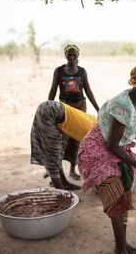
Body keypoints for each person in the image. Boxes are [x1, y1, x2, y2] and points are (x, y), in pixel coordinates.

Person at [78, 64, 136, 254]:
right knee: (116, 196)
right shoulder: (122, 105)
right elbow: (111, 145)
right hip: (98, 149)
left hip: (116, 148)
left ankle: (121, 246)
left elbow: (134, 127)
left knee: (124, 195)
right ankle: (121, 249)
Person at [48, 44, 99, 180]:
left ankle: (72, 170)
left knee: (78, 139)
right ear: (65, 55)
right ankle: (57, 172)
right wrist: (49, 105)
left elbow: (88, 91)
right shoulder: (59, 71)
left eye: (74, 55)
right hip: (65, 108)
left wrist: (98, 109)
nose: (71, 57)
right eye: (69, 55)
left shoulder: (82, 71)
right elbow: (53, 89)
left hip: (80, 107)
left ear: (77, 56)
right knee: (62, 139)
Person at [30, 100, 97, 190]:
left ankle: (64, 183)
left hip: (53, 108)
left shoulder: (96, 122)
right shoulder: (96, 136)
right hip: (51, 112)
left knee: (57, 153)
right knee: (52, 154)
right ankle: (60, 192)